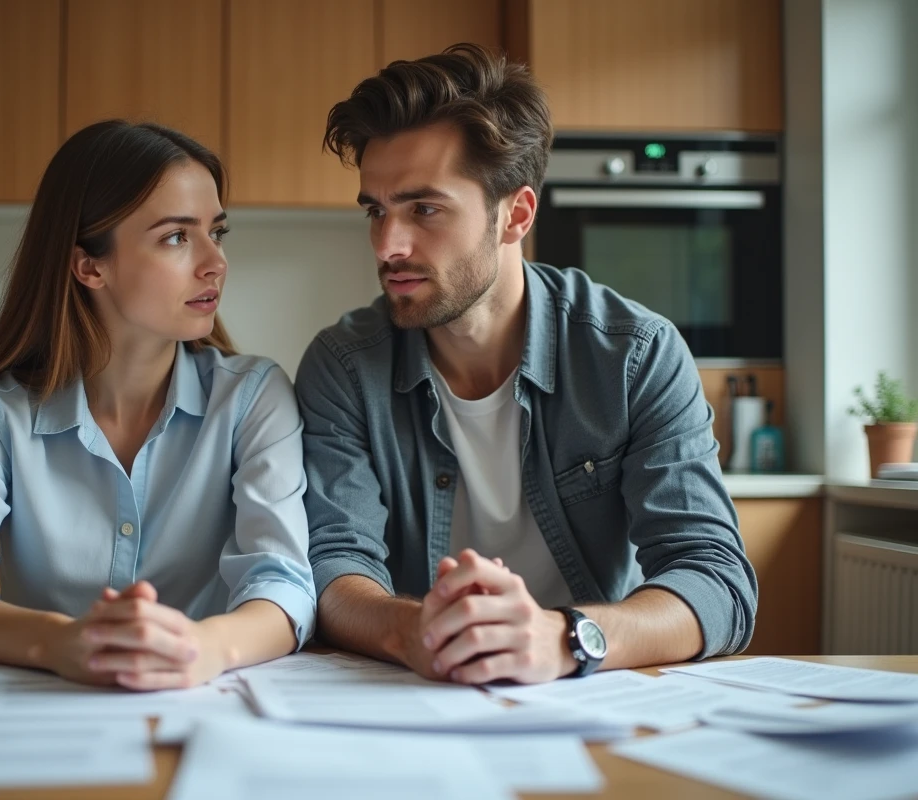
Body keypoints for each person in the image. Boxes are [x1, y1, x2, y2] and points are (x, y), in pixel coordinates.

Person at [297, 44, 756, 685]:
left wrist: (565, 638)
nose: (387, 245)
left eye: (424, 209)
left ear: (515, 214)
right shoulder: (344, 366)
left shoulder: (635, 355)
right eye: (376, 210)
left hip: (591, 692)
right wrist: (413, 632)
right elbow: (332, 565)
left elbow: (715, 580)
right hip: (410, 691)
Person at [0, 120, 316, 689]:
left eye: (217, 231)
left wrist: (204, 647)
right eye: (176, 237)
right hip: (41, 709)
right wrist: (61, 642)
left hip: (206, 702)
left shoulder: (253, 397)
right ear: (90, 266)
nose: (215, 261)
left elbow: (283, 585)